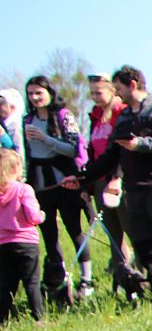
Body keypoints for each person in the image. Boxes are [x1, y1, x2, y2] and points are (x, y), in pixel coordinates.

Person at [65, 66, 152, 302]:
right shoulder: (123, 118)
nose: (116, 92)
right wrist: (82, 178)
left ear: (133, 84)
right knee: (142, 243)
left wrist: (142, 144)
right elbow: (111, 155)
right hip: (133, 188)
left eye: (118, 87)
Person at [23, 76, 91, 304]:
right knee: (49, 233)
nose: (35, 98)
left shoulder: (64, 115)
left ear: (50, 93)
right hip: (40, 180)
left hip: (64, 178)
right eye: (30, 93)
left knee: (74, 228)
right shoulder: (27, 120)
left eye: (39, 93)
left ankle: (87, 278)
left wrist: (45, 139)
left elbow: (74, 149)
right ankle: (58, 278)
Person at [84, 74, 140, 301]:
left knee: (132, 231)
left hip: (120, 181)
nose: (94, 97)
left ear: (112, 90)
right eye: (91, 93)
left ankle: (142, 280)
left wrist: (117, 177)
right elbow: (93, 152)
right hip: (100, 181)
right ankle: (122, 283)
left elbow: (121, 150)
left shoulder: (122, 113)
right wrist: (86, 180)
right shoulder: (96, 116)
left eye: (99, 92)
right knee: (114, 236)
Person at [0, 148, 46, 324]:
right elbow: (33, 216)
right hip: (26, 243)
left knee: (6, 285)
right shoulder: (24, 189)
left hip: (4, 244)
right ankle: (39, 318)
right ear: (14, 168)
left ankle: (2, 319)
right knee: (32, 282)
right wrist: (42, 215)